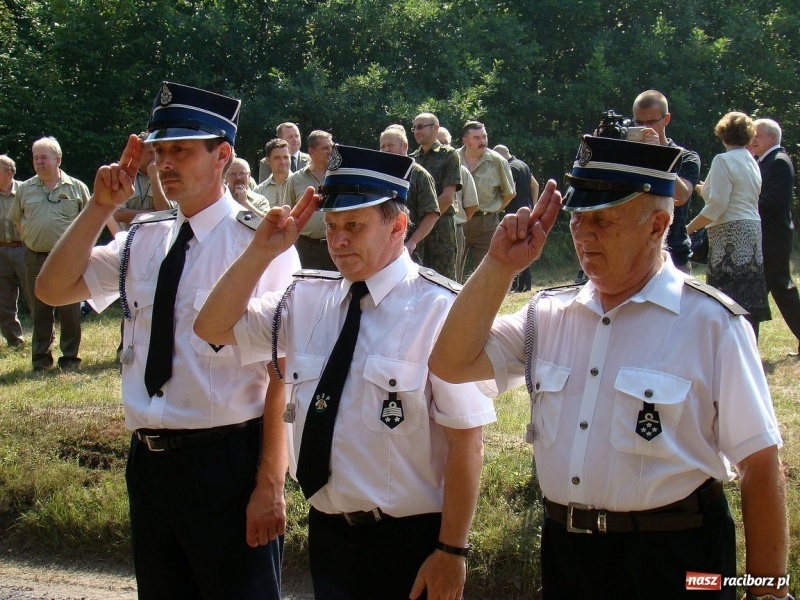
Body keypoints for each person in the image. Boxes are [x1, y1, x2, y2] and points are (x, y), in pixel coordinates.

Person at [429, 134, 789, 599]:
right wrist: (499, 265)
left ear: (658, 225)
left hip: (675, 559)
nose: (583, 235)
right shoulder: (548, 315)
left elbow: (761, 467)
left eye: (603, 221)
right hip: (568, 555)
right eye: (578, 219)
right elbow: (451, 362)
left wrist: (768, 593)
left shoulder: (711, 324)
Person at [193, 145, 496, 600]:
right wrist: (261, 253)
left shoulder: (440, 311)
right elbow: (211, 326)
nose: (338, 240)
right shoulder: (305, 299)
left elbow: (466, 441)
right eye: (332, 226)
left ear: (398, 226)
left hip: (409, 542)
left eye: (354, 226)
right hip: (329, 537)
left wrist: (452, 550)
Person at [35, 81, 300, 599]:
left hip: (227, 461)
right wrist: (97, 209)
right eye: (159, 151)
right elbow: (52, 287)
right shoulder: (143, 237)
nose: (165, 163)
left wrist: (271, 480)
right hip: (150, 462)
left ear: (222, 155)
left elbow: (281, 369)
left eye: (181, 149)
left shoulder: (260, 241)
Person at [8, 136, 93, 371]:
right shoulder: (25, 189)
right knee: (39, 310)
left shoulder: (77, 187)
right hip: (34, 257)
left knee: (70, 310)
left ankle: (70, 359)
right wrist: (34, 240)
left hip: (68, 259)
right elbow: (18, 222)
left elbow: (90, 222)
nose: (39, 162)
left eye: (44, 157)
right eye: (36, 158)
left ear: (58, 159)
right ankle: (40, 360)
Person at [687, 112, 770, 336]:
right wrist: (703, 190)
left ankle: (727, 344)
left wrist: (689, 229)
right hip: (752, 229)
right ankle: (749, 341)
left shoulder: (723, 160)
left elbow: (718, 206)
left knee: (727, 295)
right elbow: (729, 196)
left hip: (731, 232)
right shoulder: (750, 160)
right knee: (749, 292)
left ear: (723, 135)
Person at [633, 90, 701, 273]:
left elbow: (681, 196)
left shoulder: (686, 157)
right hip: (633, 254)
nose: (645, 128)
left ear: (666, 119)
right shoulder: (629, 155)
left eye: (651, 122)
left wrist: (658, 156)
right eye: (639, 122)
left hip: (674, 256)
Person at [750, 118, 800, 355]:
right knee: (782, 290)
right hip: (773, 239)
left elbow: (771, 203)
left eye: (757, 136)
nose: (753, 140)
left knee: (754, 293)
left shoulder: (778, 162)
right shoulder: (767, 161)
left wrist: (742, 203)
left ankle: (748, 350)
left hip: (773, 240)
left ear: (771, 137)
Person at [458, 121, 515, 278]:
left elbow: (509, 193)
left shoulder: (497, 161)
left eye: (484, 137)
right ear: (465, 141)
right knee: (451, 270)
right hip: (458, 222)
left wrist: (493, 211)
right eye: (477, 138)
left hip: (486, 224)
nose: (482, 141)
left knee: (486, 273)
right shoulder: (453, 159)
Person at [410, 113, 462, 279]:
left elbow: (447, 197)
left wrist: (425, 221)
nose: (416, 131)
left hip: (441, 228)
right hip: (416, 230)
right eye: (414, 128)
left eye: (420, 127)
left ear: (435, 128)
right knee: (417, 279)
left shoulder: (449, 155)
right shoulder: (412, 159)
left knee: (444, 280)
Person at [379, 127, 439, 264]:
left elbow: (432, 214)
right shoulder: (379, 175)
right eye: (382, 146)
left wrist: (413, 242)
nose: (386, 149)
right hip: (383, 246)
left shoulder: (419, 175)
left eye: (390, 145)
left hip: (410, 248)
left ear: (404, 146)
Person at [284, 130, 336, 270]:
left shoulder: (337, 177)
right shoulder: (295, 179)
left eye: (331, 147)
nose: (330, 151)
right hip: (305, 247)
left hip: (334, 244)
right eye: (325, 148)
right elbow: (288, 213)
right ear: (312, 151)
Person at [494, 144, 539, 292]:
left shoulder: (510, 168)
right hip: (528, 210)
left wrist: (498, 208)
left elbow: (511, 191)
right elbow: (535, 185)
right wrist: (534, 205)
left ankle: (516, 286)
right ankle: (525, 285)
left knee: (515, 248)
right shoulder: (522, 164)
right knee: (525, 246)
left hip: (515, 212)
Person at [438, 128, 478, 283]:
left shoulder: (461, 171)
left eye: (445, 143)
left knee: (453, 278)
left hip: (454, 228)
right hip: (426, 230)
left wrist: (460, 221)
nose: (443, 147)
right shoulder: (422, 168)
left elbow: (472, 204)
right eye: (439, 143)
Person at [0, 154, 30, 347]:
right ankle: (14, 340)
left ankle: (43, 340)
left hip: (25, 249)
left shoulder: (26, 191)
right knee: (4, 300)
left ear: (9, 173)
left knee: (35, 297)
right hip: (1, 250)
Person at [113, 132, 171, 229]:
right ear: (138, 153)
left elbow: (165, 212)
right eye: (150, 153)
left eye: (157, 152)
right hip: (131, 241)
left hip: (159, 240)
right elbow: (118, 214)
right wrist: (154, 214)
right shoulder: (124, 175)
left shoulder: (167, 176)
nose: (155, 157)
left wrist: (154, 178)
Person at [254, 138, 292, 207]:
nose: (282, 162)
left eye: (286, 157)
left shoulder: (301, 184)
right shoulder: (259, 191)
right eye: (277, 158)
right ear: (268, 160)